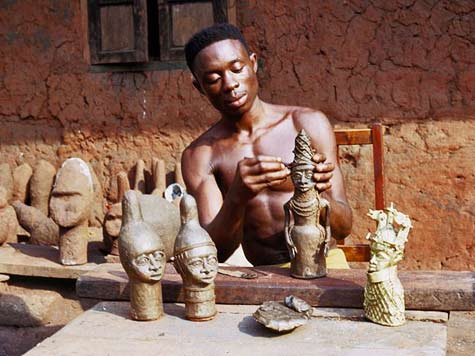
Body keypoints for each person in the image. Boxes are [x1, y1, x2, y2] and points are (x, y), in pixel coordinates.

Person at [181, 23, 352, 267]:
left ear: (253, 63)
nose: (230, 84)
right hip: (264, 276)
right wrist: (237, 197)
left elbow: (344, 227)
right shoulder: (201, 155)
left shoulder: (306, 124)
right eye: (213, 78)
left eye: (237, 68)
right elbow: (213, 253)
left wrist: (312, 195)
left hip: (325, 265)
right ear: (199, 87)